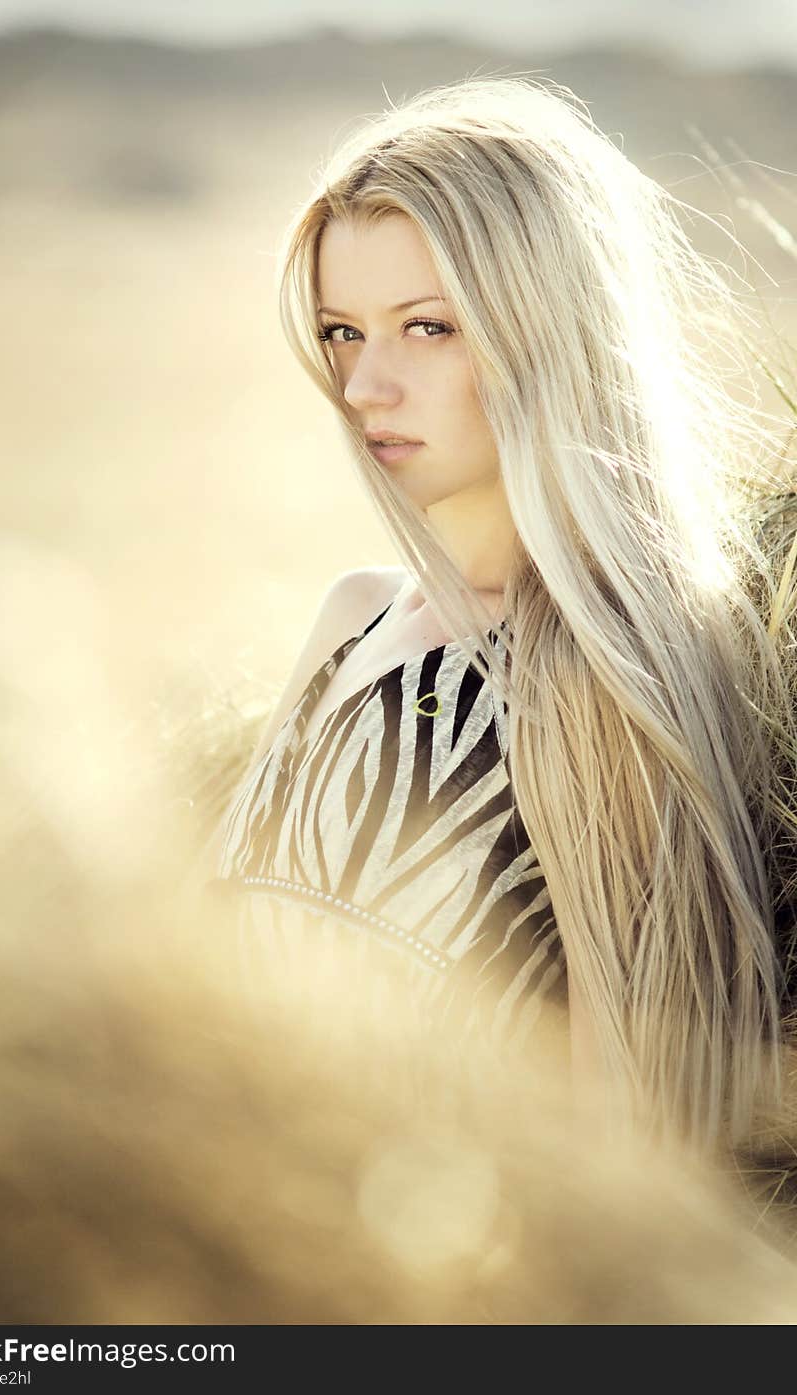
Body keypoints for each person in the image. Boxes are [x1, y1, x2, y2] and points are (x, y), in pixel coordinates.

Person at [210, 75, 797, 1155]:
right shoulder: (352, 616)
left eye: (427, 328)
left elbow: (624, 1148)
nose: (363, 387)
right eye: (342, 331)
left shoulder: (606, 682)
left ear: (546, 330)